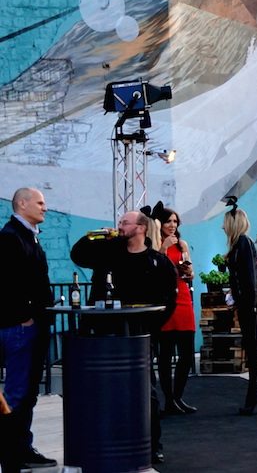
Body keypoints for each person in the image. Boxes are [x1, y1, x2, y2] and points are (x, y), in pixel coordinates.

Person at [71, 210, 178, 464]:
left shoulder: (156, 261)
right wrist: (96, 235)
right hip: (104, 333)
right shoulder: (108, 252)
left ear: (141, 228)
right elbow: (78, 255)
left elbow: (168, 301)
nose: (119, 226)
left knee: (145, 391)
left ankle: (152, 444)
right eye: (119, 222)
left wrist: (150, 328)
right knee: (103, 391)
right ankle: (107, 440)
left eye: (125, 223)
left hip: (139, 336)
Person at [0, 188, 57, 470]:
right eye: (40, 202)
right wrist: (22, 316)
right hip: (19, 328)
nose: (45, 207)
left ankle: (22, 449)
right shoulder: (10, 237)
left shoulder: (28, 235)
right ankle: (10, 457)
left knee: (27, 392)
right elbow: (6, 282)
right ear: (22, 204)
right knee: (16, 393)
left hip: (31, 326)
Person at [221, 199, 257, 413]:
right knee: (250, 347)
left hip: (249, 304)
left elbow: (248, 278)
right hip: (247, 303)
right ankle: (253, 393)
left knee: (251, 348)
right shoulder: (240, 245)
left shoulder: (243, 244)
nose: (222, 227)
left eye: (224, 223)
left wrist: (249, 304)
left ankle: (253, 394)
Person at [155, 205, 198, 415]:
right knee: (165, 354)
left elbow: (191, 272)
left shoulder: (182, 244)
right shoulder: (156, 243)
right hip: (166, 299)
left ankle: (178, 396)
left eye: (175, 221)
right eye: (168, 221)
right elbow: (154, 268)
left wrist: (189, 271)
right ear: (160, 224)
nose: (172, 225)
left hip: (183, 297)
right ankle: (169, 400)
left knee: (187, 353)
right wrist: (163, 248)